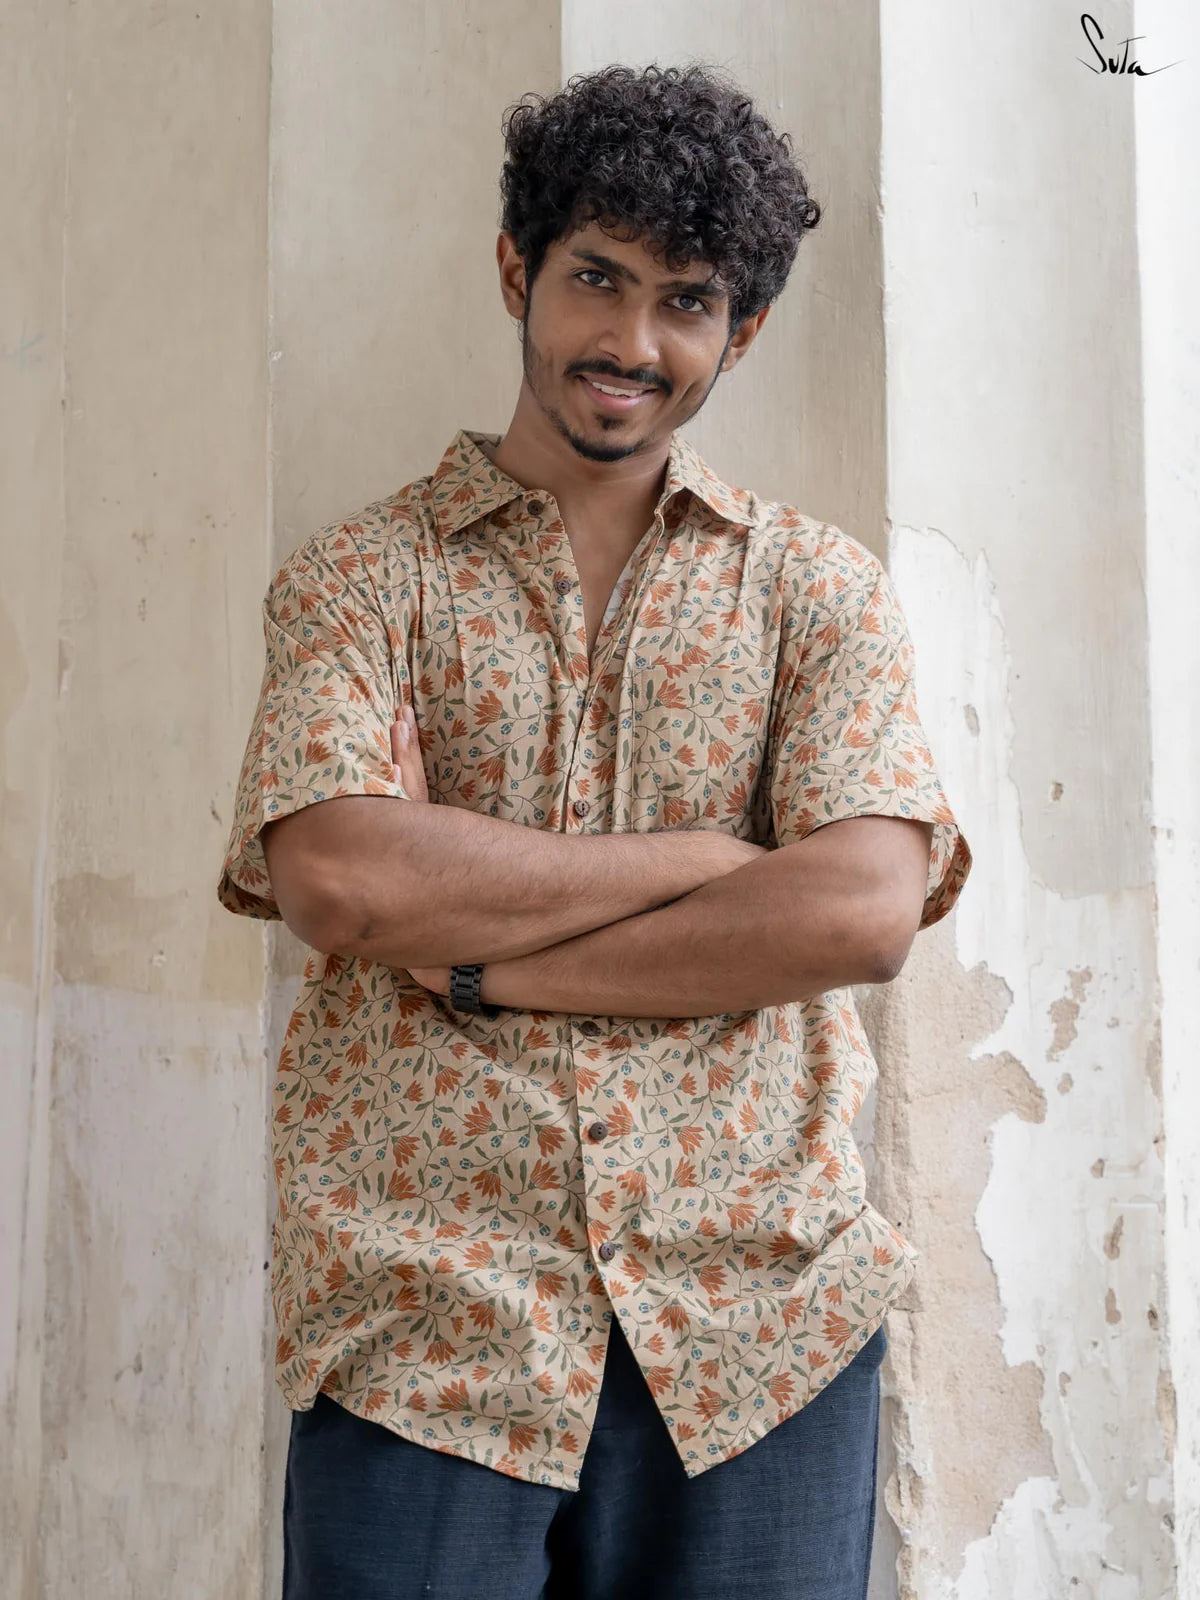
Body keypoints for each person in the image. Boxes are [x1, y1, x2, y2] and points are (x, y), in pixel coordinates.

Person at [218, 61, 972, 1600]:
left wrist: (485, 960)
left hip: (762, 1322)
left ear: (739, 331)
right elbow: (344, 877)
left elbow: (860, 914)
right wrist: (706, 863)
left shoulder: (814, 591)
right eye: (597, 281)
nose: (631, 344)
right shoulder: (361, 580)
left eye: (685, 302)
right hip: (430, 1315)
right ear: (520, 270)